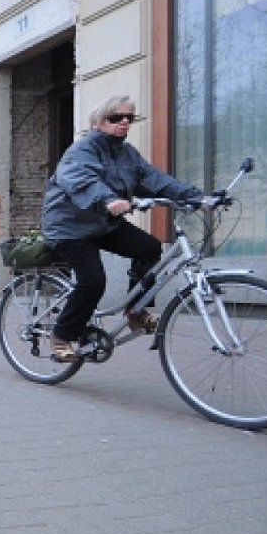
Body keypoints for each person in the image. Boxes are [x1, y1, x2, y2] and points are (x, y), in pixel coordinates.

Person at [41, 95, 203, 363]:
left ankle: (136, 312)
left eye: (130, 117)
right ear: (97, 123)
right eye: (115, 117)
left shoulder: (127, 154)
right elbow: (83, 180)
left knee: (149, 247)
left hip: (103, 224)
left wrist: (196, 197)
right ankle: (61, 335)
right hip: (69, 227)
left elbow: (155, 180)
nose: (124, 122)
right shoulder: (81, 151)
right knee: (93, 281)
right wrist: (108, 200)